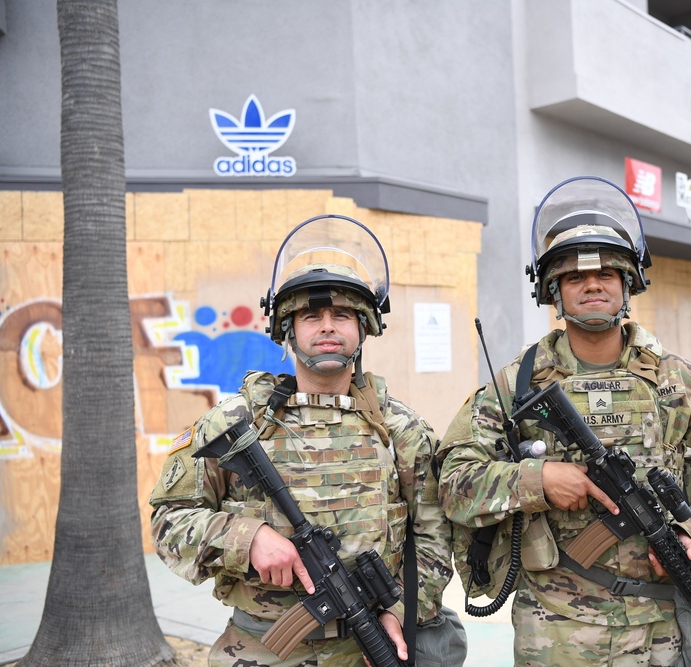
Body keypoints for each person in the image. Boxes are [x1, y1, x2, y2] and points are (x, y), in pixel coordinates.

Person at [438, 177, 691, 666]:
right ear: (553, 291)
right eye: (574, 277)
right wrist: (537, 479)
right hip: (555, 632)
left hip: (660, 629)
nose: (593, 284)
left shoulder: (679, 382)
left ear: (628, 285)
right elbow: (454, 480)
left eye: (608, 274)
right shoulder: (515, 386)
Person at [149, 214, 466, 667]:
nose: (327, 326)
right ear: (288, 330)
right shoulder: (236, 421)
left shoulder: (399, 428)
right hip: (264, 646)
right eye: (311, 316)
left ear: (364, 329)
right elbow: (168, 519)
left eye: (342, 315)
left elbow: (434, 535)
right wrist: (247, 537)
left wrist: (400, 611)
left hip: (371, 643)